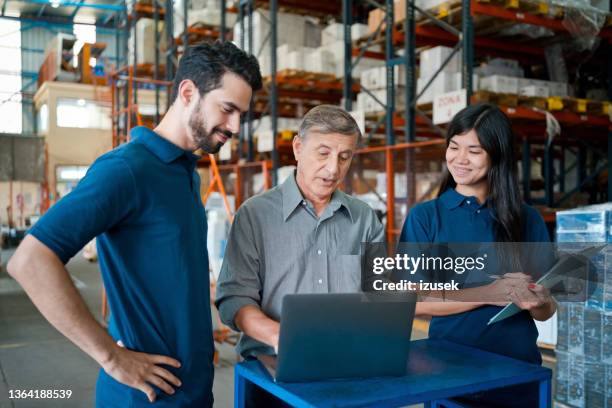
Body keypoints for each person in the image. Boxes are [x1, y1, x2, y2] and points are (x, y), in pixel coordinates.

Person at [7, 41, 262, 407]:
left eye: (242, 114)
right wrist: (111, 356)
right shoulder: (127, 169)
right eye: (228, 109)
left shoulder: (187, 174)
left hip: (193, 393)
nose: (236, 125)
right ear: (188, 92)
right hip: (143, 398)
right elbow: (29, 261)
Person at [215, 104, 385, 406]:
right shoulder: (255, 215)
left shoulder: (364, 218)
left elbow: (379, 296)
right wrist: (280, 336)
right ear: (297, 148)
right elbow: (235, 300)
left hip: (347, 371)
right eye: (323, 153)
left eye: (344, 157)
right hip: (272, 374)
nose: (334, 169)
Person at [398, 103, 556, 408]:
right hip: (449, 369)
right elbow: (412, 302)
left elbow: (546, 311)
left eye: (474, 150)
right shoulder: (427, 218)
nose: (459, 159)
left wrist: (539, 300)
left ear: (497, 155)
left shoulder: (527, 219)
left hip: (518, 369)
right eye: (454, 147)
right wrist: (488, 293)